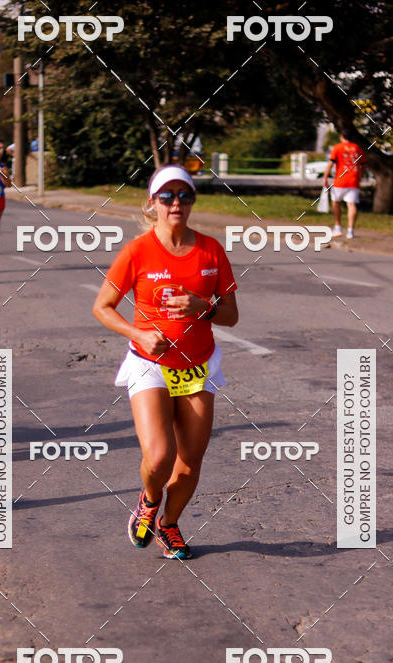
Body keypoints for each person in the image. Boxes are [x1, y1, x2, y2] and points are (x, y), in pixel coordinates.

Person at [93, 165, 238, 559]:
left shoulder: (211, 250)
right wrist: (138, 334)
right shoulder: (137, 251)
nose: (177, 203)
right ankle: (150, 498)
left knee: (190, 463)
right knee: (160, 457)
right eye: (167, 196)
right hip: (149, 362)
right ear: (153, 203)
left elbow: (231, 314)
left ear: (192, 201)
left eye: (184, 195)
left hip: (198, 364)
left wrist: (203, 307)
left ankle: (169, 524)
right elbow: (103, 307)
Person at [322, 133, 366, 239]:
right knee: (352, 205)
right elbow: (363, 165)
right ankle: (350, 230)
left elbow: (330, 163)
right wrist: (359, 177)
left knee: (336, 203)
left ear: (342, 136)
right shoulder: (357, 148)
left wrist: (325, 177)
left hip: (340, 180)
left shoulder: (337, 148)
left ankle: (338, 226)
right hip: (353, 180)